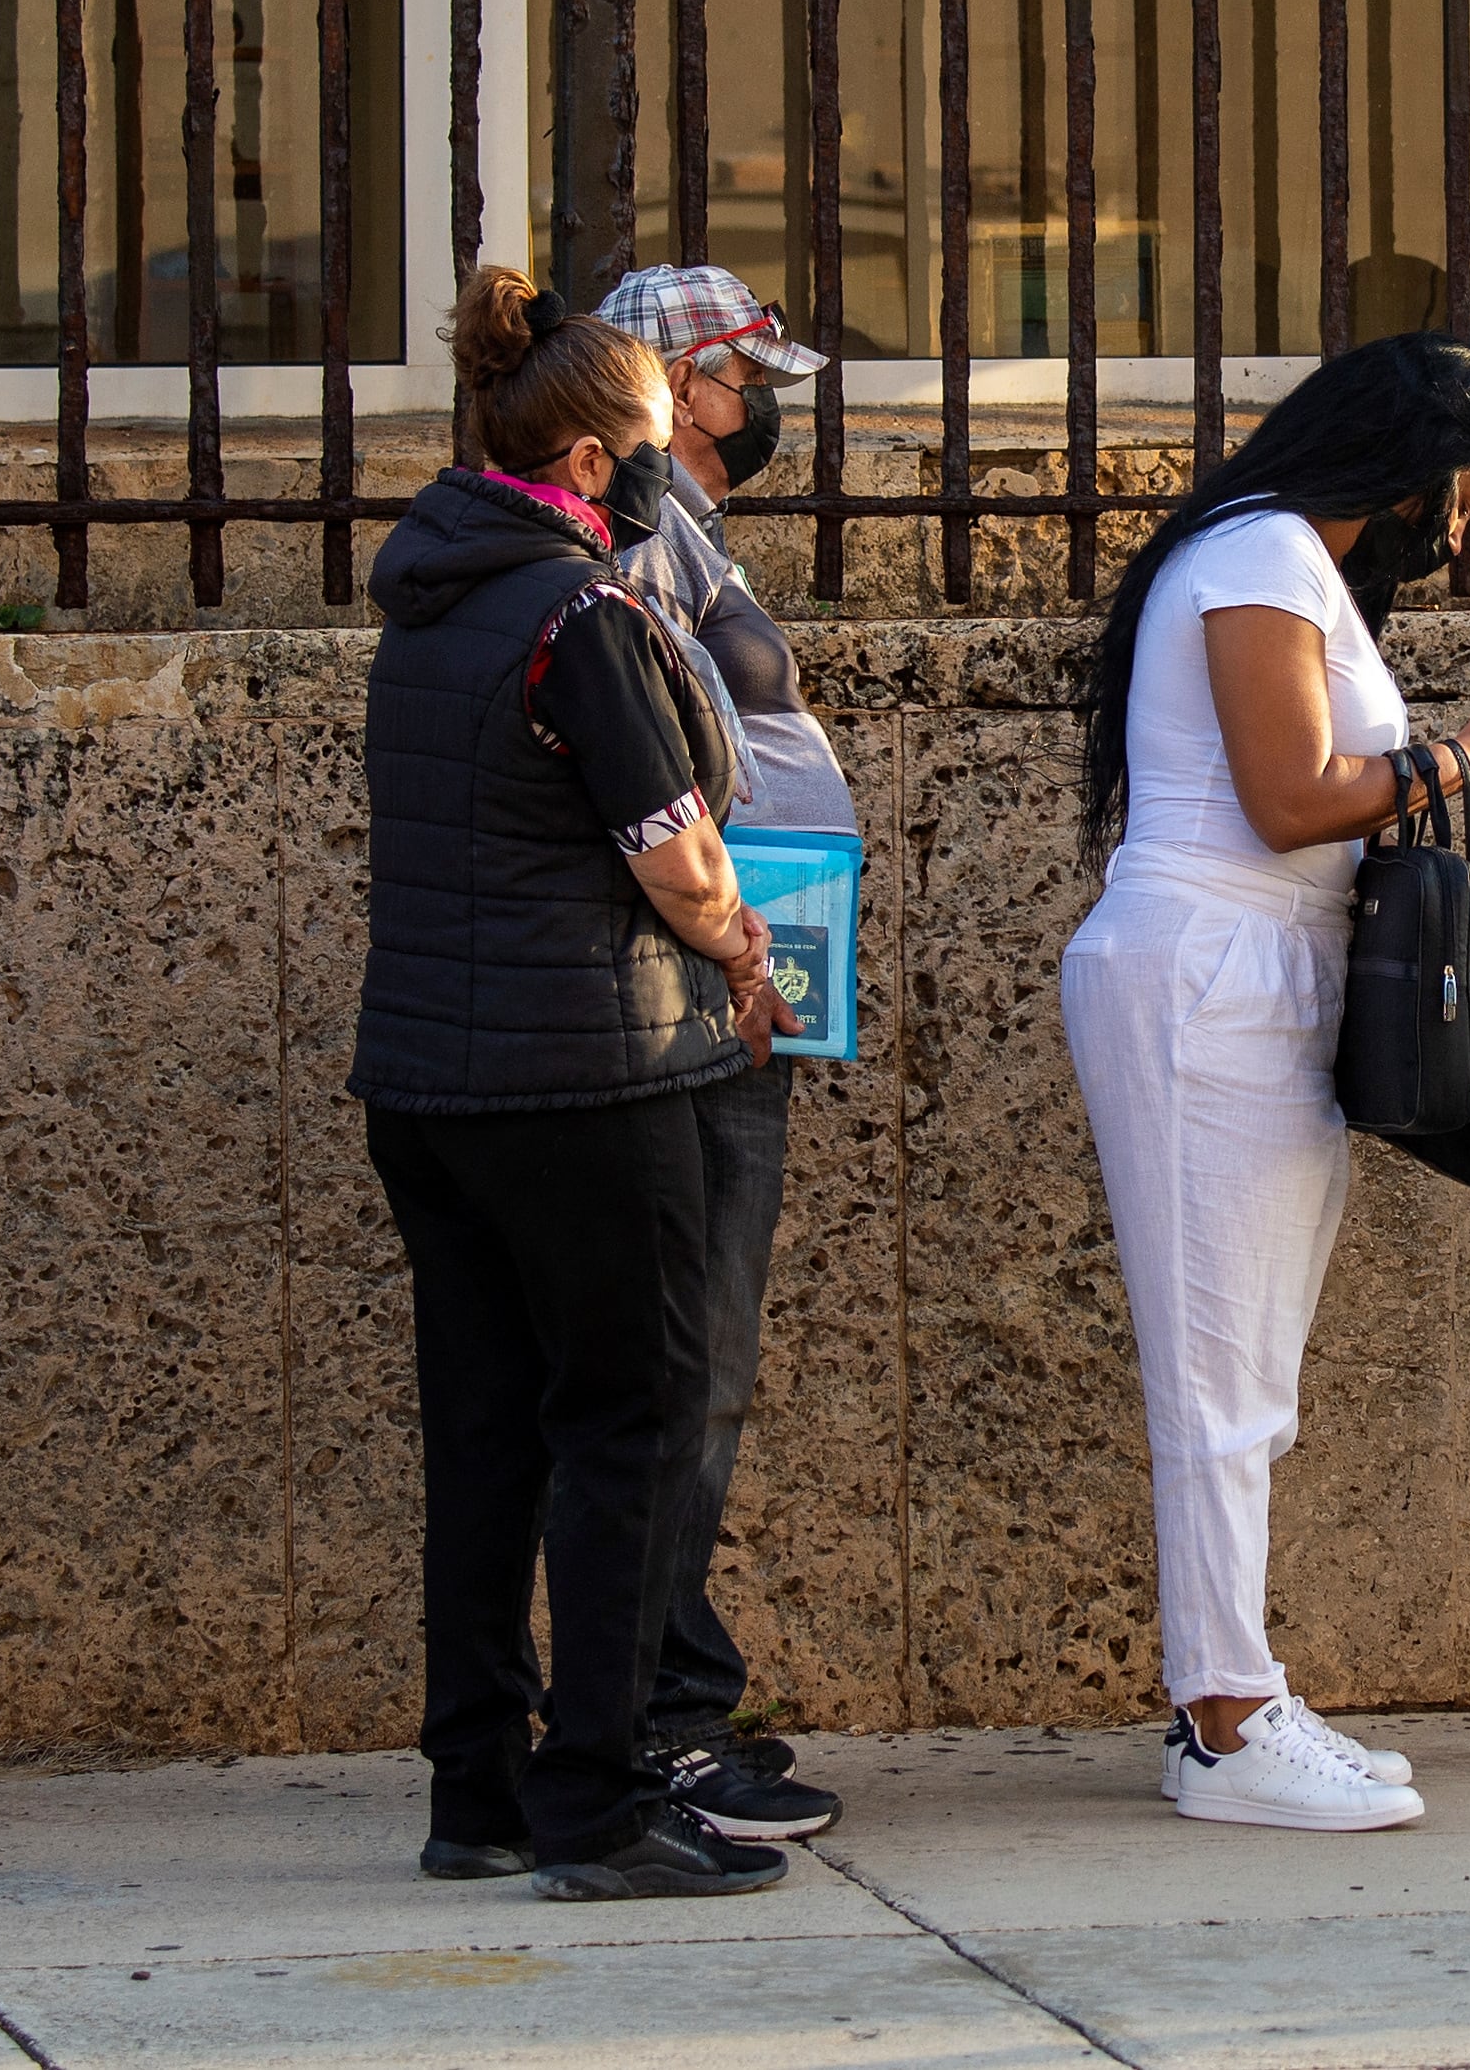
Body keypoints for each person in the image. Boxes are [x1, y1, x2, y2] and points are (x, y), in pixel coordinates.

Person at [1062, 333, 1470, 1833]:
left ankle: (1232, 1693)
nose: (1465, 536)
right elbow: (1290, 796)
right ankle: (1226, 1723)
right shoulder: (1258, 554)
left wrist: (1469, 763)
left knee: (1252, 1372)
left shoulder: (1292, 562)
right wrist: (1468, 762)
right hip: (1207, 973)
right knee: (1218, 1372)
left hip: (1263, 971)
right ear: (1412, 461)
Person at [354, 267, 805, 1904]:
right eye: (656, 448)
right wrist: (748, 954)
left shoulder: (427, 607)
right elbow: (673, 852)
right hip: (590, 1079)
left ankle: (474, 1785)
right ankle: (602, 1796)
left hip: (430, 1082)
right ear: (601, 460)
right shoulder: (581, 618)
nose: (668, 475)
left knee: (484, 1431)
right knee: (630, 1419)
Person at [592, 262, 844, 1842]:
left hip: (742, 978)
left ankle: (668, 1687)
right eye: (750, 382)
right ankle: (658, 1718)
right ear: (683, 388)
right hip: (705, 995)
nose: (767, 412)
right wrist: (740, 949)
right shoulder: (636, 538)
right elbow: (654, 775)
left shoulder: (683, 529)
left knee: (703, 1366)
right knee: (688, 1366)